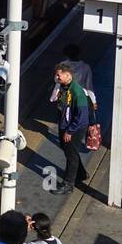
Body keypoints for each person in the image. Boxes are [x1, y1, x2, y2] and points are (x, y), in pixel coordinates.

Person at [52, 62, 90, 195]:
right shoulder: (64, 87)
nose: (56, 77)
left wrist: (70, 131)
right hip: (65, 125)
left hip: (73, 128)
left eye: (58, 75)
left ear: (68, 75)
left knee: (70, 155)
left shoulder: (77, 92)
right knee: (70, 151)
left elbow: (82, 116)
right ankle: (81, 173)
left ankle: (68, 184)